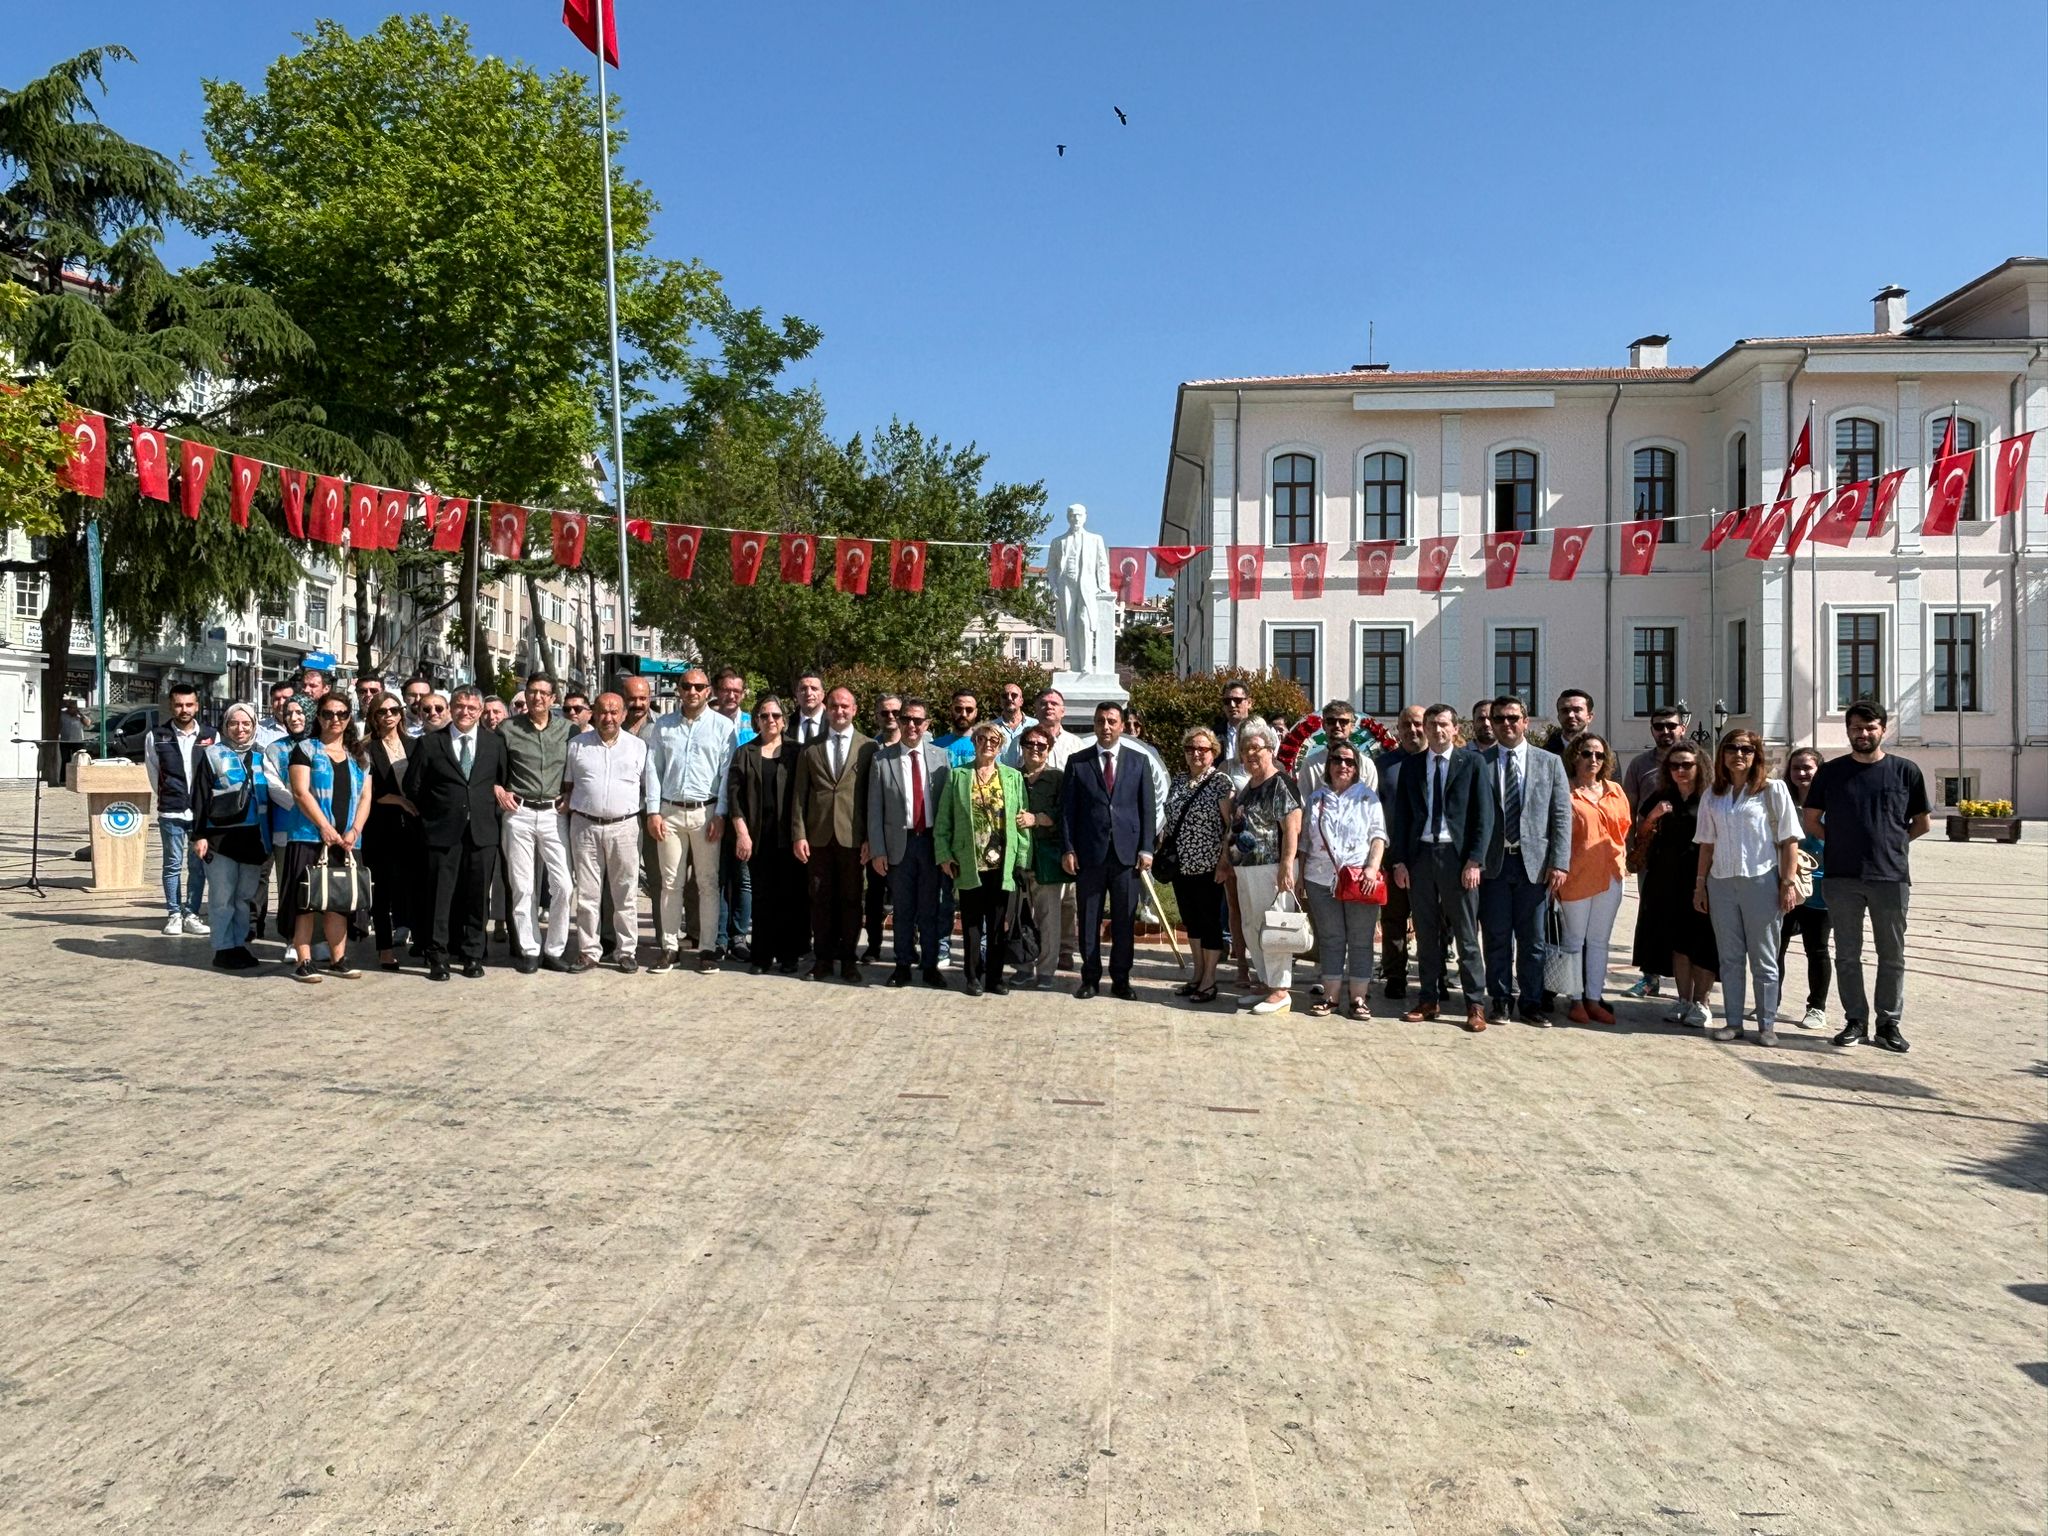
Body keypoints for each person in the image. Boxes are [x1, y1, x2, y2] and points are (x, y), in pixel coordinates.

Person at [1802, 702, 1930, 1052]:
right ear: (1848, 731)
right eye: (1856, 727)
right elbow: (1811, 819)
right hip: (1841, 877)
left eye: (1870, 727)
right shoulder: (1831, 773)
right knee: (1847, 953)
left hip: (1890, 878)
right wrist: (1840, 841)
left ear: (1882, 730)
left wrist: (1891, 844)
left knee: (1892, 955)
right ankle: (1854, 1020)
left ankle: (1888, 1023)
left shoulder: (1906, 771)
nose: (1863, 733)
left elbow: (1922, 822)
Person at [1692, 729, 1803, 1045]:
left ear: (1756, 755)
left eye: (1746, 749)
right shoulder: (1713, 795)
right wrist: (1700, 886)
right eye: (1731, 748)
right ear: (1722, 754)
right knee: (1729, 957)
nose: (1738, 755)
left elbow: (1789, 840)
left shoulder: (1772, 791)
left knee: (1764, 957)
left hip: (1761, 881)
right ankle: (1734, 1021)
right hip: (1722, 882)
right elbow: (1706, 845)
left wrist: (1787, 882)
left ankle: (1767, 1024)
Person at [1390, 703, 1494, 1032]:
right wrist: (1401, 860)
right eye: (1432, 724)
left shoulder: (1472, 763)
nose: (1437, 730)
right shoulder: (1413, 766)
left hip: (1457, 858)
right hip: (1421, 857)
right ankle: (1428, 998)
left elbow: (1484, 816)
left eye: (1443, 724)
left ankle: (1475, 1004)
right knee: (1425, 933)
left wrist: (1475, 860)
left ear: (1455, 729)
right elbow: (1403, 817)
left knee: (1465, 936)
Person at [404, 685, 510, 981]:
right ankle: (437, 955)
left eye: (472, 708)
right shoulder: (430, 743)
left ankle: (473, 953)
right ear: (451, 707)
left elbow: (501, 780)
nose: (465, 712)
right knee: (440, 895)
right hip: (441, 832)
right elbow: (413, 787)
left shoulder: (494, 744)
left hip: (482, 831)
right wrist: (436, 812)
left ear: (480, 711)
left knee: (477, 897)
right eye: (460, 706)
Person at [1479, 696, 1572, 1026]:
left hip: (1535, 864)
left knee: (1533, 940)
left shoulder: (1549, 763)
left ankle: (1531, 1002)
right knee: (1497, 937)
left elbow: (1561, 815)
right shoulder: (1481, 762)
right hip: (1495, 864)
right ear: (1491, 722)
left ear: (1525, 721)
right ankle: (1501, 1000)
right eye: (1500, 718)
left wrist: (1560, 862)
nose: (1507, 724)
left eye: (1513, 718)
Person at [1059, 701, 1155, 1000]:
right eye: (1101, 720)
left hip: (1127, 856)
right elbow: (1067, 811)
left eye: (1112, 721)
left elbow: (1147, 810)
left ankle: (1121, 979)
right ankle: (1089, 978)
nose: (1106, 726)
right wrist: (1069, 848)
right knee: (1089, 919)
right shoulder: (1078, 762)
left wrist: (1147, 848)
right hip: (1090, 855)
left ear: (1123, 725)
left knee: (1125, 920)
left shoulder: (1138, 762)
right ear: (1094, 723)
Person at [647, 667, 738, 974]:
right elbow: (653, 770)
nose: (693, 691)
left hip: (706, 813)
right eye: (687, 686)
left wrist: (722, 814)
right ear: (679, 689)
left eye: (699, 686)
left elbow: (727, 776)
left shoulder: (723, 728)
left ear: (709, 690)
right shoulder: (663, 725)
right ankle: (669, 947)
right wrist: (653, 811)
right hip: (670, 812)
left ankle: (708, 949)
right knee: (670, 883)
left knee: (708, 884)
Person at [562, 691, 660, 973]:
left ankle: (626, 950)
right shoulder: (577, 745)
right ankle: (588, 951)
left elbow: (647, 787)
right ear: (593, 712)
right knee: (588, 895)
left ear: (623, 714)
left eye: (614, 712)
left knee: (625, 892)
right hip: (585, 825)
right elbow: (568, 786)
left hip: (625, 826)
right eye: (603, 711)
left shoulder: (638, 747)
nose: (608, 717)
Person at [280, 692, 371, 983]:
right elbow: (300, 791)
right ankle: (304, 961)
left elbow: (366, 796)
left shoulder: (359, 755)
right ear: (319, 717)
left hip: (346, 840)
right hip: (309, 836)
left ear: (349, 718)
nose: (336, 719)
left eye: (342, 714)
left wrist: (354, 830)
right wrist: (324, 826)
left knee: (339, 900)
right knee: (306, 900)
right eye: (329, 714)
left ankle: (338, 959)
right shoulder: (306, 749)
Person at [1629, 743, 1719, 1029]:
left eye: (1687, 765)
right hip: (1664, 878)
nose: (1680, 770)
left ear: (1699, 766)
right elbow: (1641, 831)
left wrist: (1704, 882)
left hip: (1700, 877)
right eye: (1674, 765)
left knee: (1701, 941)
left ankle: (1702, 1003)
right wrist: (1654, 815)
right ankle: (1683, 999)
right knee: (1678, 942)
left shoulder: (1711, 797)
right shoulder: (1662, 795)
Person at [790, 686, 875, 983]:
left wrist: (870, 839)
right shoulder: (810, 748)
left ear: (855, 710)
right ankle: (823, 959)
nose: (840, 711)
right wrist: (799, 835)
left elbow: (871, 797)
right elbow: (800, 795)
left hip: (853, 837)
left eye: (845, 706)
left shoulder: (868, 748)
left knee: (852, 901)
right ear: (827, 708)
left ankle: (849, 959)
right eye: (835, 706)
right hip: (818, 837)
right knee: (820, 899)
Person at [936, 721, 1026, 996]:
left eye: (995, 740)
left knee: (999, 924)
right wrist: (944, 854)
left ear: (1001, 746)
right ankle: (973, 976)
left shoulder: (1012, 777)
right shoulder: (958, 776)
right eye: (983, 739)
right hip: (969, 860)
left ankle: (995, 978)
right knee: (972, 923)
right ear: (974, 742)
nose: (989, 744)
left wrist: (1022, 859)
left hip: (1002, 863)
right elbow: (944, 820)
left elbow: (1021, 821)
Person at [1300, 742, 1387, 1021]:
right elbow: (1305, 842)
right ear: (1329, 765)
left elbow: (1378, 836)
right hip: (1320, 878)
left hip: (1360, 879)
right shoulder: (1315, 799)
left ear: (1357, 767)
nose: (1343, 766)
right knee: (1330, 938)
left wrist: (1372, 869)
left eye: (1349, 761)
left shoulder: (1367, 798)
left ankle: (1359, 998)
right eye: (1337, 760)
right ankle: (1331, 996)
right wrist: (1299, 876)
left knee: (1361, 940)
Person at [494, 673, 573, 974]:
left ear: (554, 698)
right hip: (519, 814)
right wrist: (497, 788)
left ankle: (554, 949)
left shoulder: (569, 730)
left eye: (543, 693)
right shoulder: (508, 729)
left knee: (563, 885)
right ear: (525, 696)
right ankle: (529, 948)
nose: (537, 697)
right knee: (523, 886)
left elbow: (577, 768)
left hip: (555, 813)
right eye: (531, 692)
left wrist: (571, 793)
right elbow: (494, 767)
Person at [868, 698, 950, 988]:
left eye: (918, 720)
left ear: (927, 724)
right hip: (898, 844)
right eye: (906, 719)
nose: (911, 725)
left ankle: (929, 966)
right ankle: (902, 964)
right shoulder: (882, 759)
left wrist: (947, 849)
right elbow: (874, 810)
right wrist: (877, 850)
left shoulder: (941, 758)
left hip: (930, 844)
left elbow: (947, 808)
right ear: (899, 722)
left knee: (930, 909)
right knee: (902, 910)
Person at [1226, 719, 1303, 1016]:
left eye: (1256, 748)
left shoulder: (1280, 783)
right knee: (1251, 925)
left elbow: (1292, 827)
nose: (1250, 755)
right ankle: (1266, 981)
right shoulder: (1248, 787)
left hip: (1271, 867)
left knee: (1275, 926)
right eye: (1245, 749)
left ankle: (1281, 989)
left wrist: (1286, 865)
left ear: (1270, 750)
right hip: (1246, 868)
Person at [1553, 734, 1632, 1025]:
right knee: (1574, 940)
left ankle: (1594, 999)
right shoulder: (1564, 792)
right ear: (1575, 756)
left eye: (1599, 754)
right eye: (1586, 753)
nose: (1593, 759)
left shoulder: (1615, 791)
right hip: (1576, 875)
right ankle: (1575, 1000)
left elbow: (1623, 830)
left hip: (1610, 875)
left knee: (1600, 941)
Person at [191, 702, 272, 971]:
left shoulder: (263, 756)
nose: (240, 729)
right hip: (220, 840)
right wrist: (199, 835)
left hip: (253, 839)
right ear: (225, 726)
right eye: (234, 724)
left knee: (244, 897)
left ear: (254, 726)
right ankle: (222, 947)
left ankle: (239, 944)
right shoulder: (212, 754)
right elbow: (200, 797)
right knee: (222, 897)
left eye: (246, 724)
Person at [727, 694, 804, 975]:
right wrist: (741, 833)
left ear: (784, 721)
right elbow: (734, 796)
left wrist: (801, 834)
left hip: (789, 837)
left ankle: (788, 956)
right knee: (761, 898)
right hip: (757, 836)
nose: (770, 720)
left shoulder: (797, 752)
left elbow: (804, 796)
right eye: (764, 716)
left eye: (775, 716)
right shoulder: (745, 753)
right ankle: (761, 956)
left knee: (789, 897)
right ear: (756, 720)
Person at [1157, 726, 1233, 1004]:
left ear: (1213, 752)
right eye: (1191, 749)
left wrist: (1224, 861)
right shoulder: (1177, 781)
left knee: (1210, 921)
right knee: (1192, 922)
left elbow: (1230, 827)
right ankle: (1197, 974)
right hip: (1181, 866)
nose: (1196, 754)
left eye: (1203, 749)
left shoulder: (1220, 782)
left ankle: (1210, 980)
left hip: (1208, 864)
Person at [1619, 706, 1687, 1000]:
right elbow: (1628, 809)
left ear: (1682, 728)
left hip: (1688, 853)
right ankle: (1649, 977)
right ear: (1652, 730)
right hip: (1652, 853)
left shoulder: (1696, 761)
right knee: (1649, 916)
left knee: (1686, 918)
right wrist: (1629, 850)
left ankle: (1689, 984)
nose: (1665, 731)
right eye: (1659, 726)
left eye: (1671, 726)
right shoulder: (1639, 764)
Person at [144, 682, 215, 937]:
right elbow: (153, 772)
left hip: (199, 814)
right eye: (178, 704)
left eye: (189, 704)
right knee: (172, 865)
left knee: (198, 866)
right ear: (171, 705)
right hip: (171, 812)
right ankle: (174, 913)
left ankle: (191, 913)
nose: (184, 709)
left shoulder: (210, 736)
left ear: (196, 706)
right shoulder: (157, 736)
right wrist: (169, 796)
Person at [360, 691, 423, 972]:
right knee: (382, 891)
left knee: (415, 887)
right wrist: (398, 800)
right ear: (373, 717)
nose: (388, 716)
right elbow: (364, 792)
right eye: (381, 712)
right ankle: (384, 948)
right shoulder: (364, 748)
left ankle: (420, 940)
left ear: (401, 713)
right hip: (380, 827)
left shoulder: (415, 744)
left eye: (393, 710)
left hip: (413, 827)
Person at [1374, 704, 1428, 1000]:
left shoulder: (1438, 762)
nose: (1412, 730)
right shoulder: (1384, 766)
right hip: (1392, 858)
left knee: (1429, 922)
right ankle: (1395, 976)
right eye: (1406, 725)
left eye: (1417, 724)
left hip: (1429, 859)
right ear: (1398, 729)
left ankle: (1436, 979)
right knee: (1393, 921)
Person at [1012, 725, 1070, 991]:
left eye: (1041, 745)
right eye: (1030, 744)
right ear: (1022, 747)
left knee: (1048, 917)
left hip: (1046, 856)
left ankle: (1046, 969)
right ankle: (1023, 965)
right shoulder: (1011, 776)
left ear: (1049, 749)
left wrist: (1036, 819)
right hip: (1017, 858)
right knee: (1020, 916)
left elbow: (1064, 815)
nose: (1035, 749)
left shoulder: (1058, 778)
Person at [1779, 747, 1831, 1031]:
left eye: (1807, 768)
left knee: (1818, 949)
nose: (1801, 773)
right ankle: (1770, 1001)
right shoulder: (1782, 801)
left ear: (1818, 770)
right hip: (1787, 883)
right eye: (1796, 768)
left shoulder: (1831, 802)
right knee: (1777, 946)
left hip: (1820, 885)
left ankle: (1817, 1008)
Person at [860, 694, 903, 962]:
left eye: (895, 712)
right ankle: (874, 947)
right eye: (884, 712)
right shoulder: (868, 749)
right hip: (877, 836)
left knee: (906, 897)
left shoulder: (919, 745)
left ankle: (904, 948)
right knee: (874, 897)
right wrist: (867, 838)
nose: (890, 717)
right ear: (876, 715)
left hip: (907, 836)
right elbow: (864, 797)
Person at [1047, 502, 1113, 674]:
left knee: (1084, 621)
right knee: (1070, 625)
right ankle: (1075, 666)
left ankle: (1086, 666)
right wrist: (1053, 585)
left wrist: (1103, 585)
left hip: (1088, 586)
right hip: (1066, 585)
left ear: (1085, 517)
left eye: (1079, 515)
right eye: (1072, 515)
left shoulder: (1095, 539)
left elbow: (1102, 564)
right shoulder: (1057, 542)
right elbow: (1052, 567)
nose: (1076, 518)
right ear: (1068, 517)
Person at [1295, 700, 1381, 799]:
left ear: (1352, 726)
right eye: (1331, 721)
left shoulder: (1366, 764)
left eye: (1343, 721)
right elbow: (1303, 804)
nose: (1337, 725)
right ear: (1323, 725)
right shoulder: (1310, 764)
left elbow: (1371, 806)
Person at [1217, 683, 1255, 788]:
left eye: (1237, 700)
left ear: (1249, 703)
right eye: (1227, 701)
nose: (1232, 705)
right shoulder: (1214, 734)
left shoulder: (1261, 732)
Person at [933, 689, 982, 767]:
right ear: (951, 710)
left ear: (975, 713)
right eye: (958, 709)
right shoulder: (935, 747)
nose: (963, 714)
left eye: (969, 710)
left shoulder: (985, 746)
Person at [1543, 688, 1594, 757]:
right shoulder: (1544, 755)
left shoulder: (1603, 756)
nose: (1570, 715)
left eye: (1577, 710)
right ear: (1559, 717)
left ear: (1589, 717)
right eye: (1565, 710)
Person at [789, 672, 827, 746]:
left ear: (823, 694)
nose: (808, 693)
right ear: (797, 694)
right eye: (803, 689)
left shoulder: (834, 724)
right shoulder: (786, 725)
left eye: (814, 688)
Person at [255, 681, 296, 747]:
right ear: (271, 702)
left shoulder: (306, 729)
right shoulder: (259, 729)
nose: (281, 703)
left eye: (286, 698)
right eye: (277, 699)